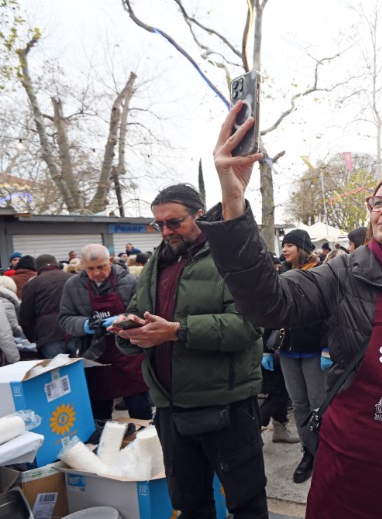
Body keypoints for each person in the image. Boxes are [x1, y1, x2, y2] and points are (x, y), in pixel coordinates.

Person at [205, 106, 382, 518]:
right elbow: (268, 303)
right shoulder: (342, 273)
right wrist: (233, 197)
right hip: (358, 467)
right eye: (377, 202)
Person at [112, 184, 267, 518]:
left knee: (246, 504)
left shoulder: (232, 257)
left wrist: (177, 331)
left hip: (227, 406)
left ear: (200, 214)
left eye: (174, 222)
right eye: (159, 224)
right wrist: (129, 330)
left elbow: (247, 326)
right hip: (170, 408)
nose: (166, 231)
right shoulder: (156, 263)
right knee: (189, 505)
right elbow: (137, 310)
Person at [58, 244, 152, 420]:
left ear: (110, 261)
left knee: (140, 411)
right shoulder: (72, 286)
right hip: (96, 357)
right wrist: (86, 325)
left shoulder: (129, 280)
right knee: (100, 416)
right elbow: (64, 320)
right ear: (82, 267)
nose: (96, 273)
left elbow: (144, 311)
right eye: (90, 269)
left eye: (101, 267)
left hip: (129, 356)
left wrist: (125, 318)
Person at [270, 228, 327, 484]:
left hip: (314, 349)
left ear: (302, 246)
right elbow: (271, 311)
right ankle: (309, 452)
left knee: (318, 405)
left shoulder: (322, 273)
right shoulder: (281, 273)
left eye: (289, 244)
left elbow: (332, 313)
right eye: (283, 245)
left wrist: (328, 346)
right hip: (289, 350)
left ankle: (325, 453)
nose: (284, 249)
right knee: (300, 405)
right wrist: (266, 347)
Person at [19, 254, 73, 359]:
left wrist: (33, 337)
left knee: (57, 372)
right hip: (74, 331)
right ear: (56, 264)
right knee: (81, 369)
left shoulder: (32, 284)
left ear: (37, 268)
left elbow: (25, 315)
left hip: (48, 335)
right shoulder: (72, 278)